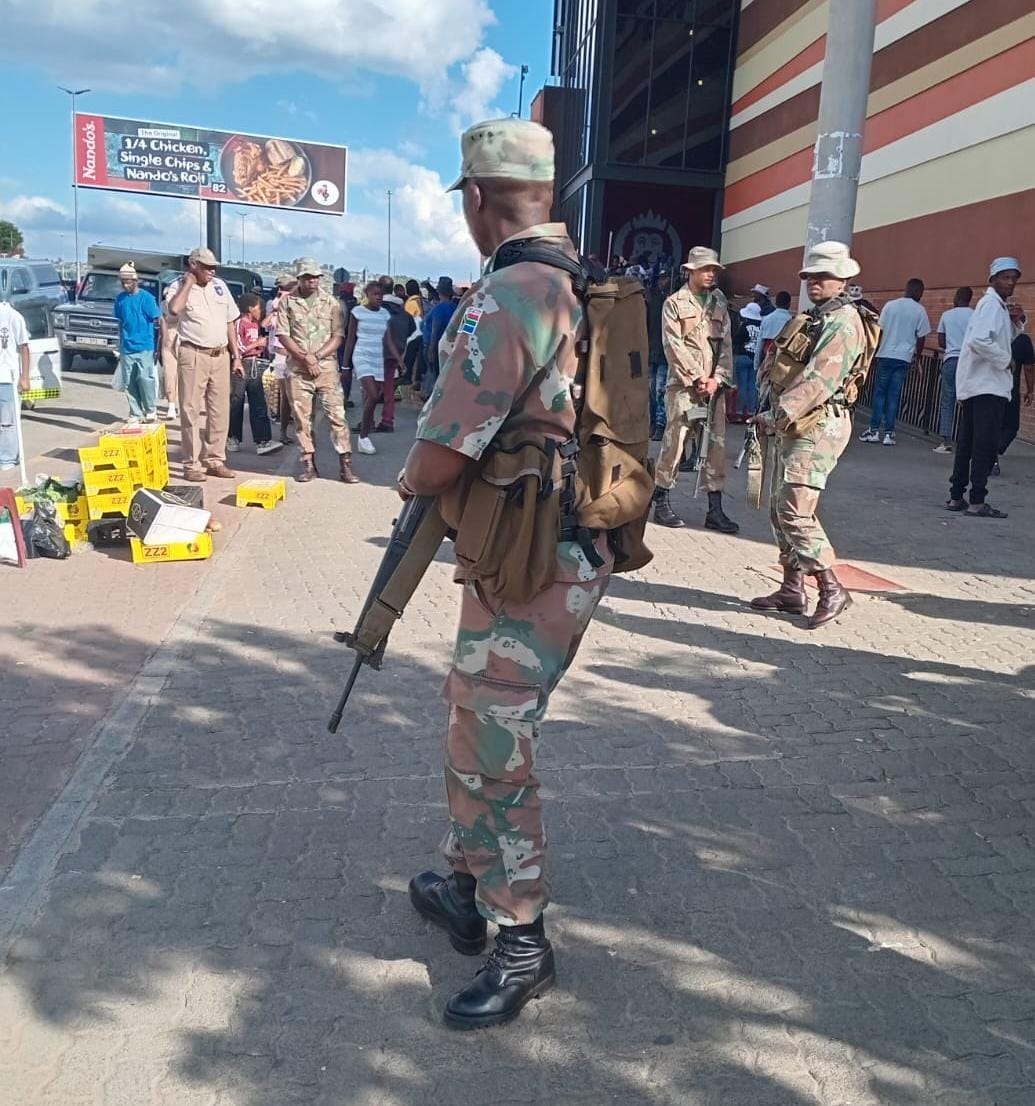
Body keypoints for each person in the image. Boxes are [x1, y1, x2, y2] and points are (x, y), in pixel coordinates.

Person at [401, 117, 611, 1031]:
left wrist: (410, 482)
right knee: (474, 717)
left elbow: (441, 453)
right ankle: (464, 880)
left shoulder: (511, 293)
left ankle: (520, 941)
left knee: (495, 742)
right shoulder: (585, 280)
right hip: (562, 544)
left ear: (477, 200)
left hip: (532, 556)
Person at [750, 241, 866, 629]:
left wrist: (774, 415)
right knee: (779, 506)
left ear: (844, 279)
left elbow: (818, 381)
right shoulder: (820, 316)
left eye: (823, 276)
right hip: (800, 422)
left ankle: (832, 588)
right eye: (809, 276)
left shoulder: (843, 323)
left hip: (819, 423)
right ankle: (791, 588)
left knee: (794, 510)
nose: (814, 282)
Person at [651, 246, 738, 534]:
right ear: (690, 271)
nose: (711, 274)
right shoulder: (675, 303)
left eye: (714, 269)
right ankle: (661, 499)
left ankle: (715, 509)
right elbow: (672, 346)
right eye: (706, 269)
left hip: (714, 389)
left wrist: (718, 378)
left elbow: (726, 346)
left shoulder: (719, 304)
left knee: (715, 447)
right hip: (684, 388)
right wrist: (697, 377)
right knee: (676, 441)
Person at [947, 258, 1025, 517]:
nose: (1010, 282)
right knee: (985, 445)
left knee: (968, 443)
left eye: (1014, 278)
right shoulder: (991, 305)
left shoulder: (995, 307)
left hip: (977, 384)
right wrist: (1007, 361)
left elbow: (998, 338)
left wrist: (1016, 322)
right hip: (987, 386)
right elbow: (980, 341)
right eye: (1005, 277)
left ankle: (956, 496)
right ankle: (977, 500)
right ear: (992, 279)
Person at [277, 259, 358, 484]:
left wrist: (317, 357)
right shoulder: (288, 303)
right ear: (300, 278)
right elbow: (283, 335)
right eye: (307, 277)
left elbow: (338, 336)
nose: (312, 280)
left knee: (337, 417)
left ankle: (346, 465)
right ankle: (309, 465)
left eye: (315, 276)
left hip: (326, 369)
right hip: (298, 369)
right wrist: (304, 358)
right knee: (303, 420)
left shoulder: (332, 303)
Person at [166, 248, 241, 482]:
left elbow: (230, 321)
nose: (212, 270)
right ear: (193, 265)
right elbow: (174, 310)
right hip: (194, 353)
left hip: (220, 355)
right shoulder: (178, 287)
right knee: (190, 411)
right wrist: (188, 284)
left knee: (220, 411)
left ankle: (215, 459)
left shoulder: (220, 286)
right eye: (207, 266)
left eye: (213, 266)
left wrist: (236, 355)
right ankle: (191, 463)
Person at [861, 277, 930, 446]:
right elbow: (921, 336)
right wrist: (917, 356)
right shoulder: (920, 310)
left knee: (879, 394)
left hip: (885, 354)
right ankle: (889, 434)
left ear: (906, 289)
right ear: (919, 292)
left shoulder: (890, 306)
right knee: (894, 395)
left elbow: (880, 329)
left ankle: (874, 430)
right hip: (903, 357)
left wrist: (875, 350)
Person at [342, 280, 393, 455]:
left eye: (381, 295)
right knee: (371, 394)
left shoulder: (385, 314)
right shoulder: (357, 312)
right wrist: (346, 366)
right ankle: (364, 436)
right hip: (361, 354)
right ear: (367, 296)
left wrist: (399, 360)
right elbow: (350, 340)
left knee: (375, 397)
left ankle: (364, 434)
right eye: (375, 295)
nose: (379, 298)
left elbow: (388, 339)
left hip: (377, 357)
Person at [230, 292, 280, 456]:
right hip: (242, 364)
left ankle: (263, 440)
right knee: (236, 402)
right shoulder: (239, 324)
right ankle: (233, 437)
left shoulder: (256, 325)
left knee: (258, 402)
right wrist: (256, 344)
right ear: (251, 309)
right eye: (259, 308)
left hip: (255, 364)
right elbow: (237, 347)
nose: (261, 312)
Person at [112, 262, 161, 424]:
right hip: (127, 346)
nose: (126, 285)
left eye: (129, 282)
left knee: (145, 378)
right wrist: (119, 343)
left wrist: (158, 346)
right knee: (129, 381)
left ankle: (150, 409)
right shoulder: (120, 299)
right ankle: (135, 412)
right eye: (123, 282)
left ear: (135, 281)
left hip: (145, 345)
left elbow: (157, 321)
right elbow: (120, 322)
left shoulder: (146, 299)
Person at [933, 287, 974, 452]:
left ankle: (946, 441)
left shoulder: (947, 315)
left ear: (957, 297)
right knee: (969, 403)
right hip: (969, 362)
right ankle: (967, 439)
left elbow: (941, 342)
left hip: (951, 359)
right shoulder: (975, 315)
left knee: (947, 401)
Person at [0, 294, 30, 471]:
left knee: (7, 422)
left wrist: (24, 377)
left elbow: (24, 347)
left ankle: (7, 459)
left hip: (6, 376)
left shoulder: (13, 316)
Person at [999, 328, 1035, 466]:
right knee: (1010, 426)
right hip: (1010, 387)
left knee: (991, 423)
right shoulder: (1023, 340)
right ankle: (995, 450)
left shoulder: (995, 334)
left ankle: (985, 452)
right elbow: (1029, 367)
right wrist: (1030, 390)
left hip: (988, 385)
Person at [422, 276, 458, 398]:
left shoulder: (438, 309)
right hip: (449, 345)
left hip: (434, 346)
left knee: (434, 374)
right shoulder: (455, 308)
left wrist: (432, 350)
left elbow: (434, 331)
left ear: (439, 291)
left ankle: (433, 400)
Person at [647, 269, 672, 440]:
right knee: (652, 392)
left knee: (660, 391)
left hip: (664, 354)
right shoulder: (654, 301)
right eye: (660, 278)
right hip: (653, 352)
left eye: (664, 278)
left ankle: (660, 425)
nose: (662, 281)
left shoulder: (671, 301)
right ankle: (654, 423)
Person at [753, 290, 793, 377]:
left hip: (767, 355)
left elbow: (760, 343)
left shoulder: (767, 319)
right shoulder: (792, 321)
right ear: (789, 304)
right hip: (783, 359)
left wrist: (756, 364)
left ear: (776, 303)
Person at [733, 301, 762, 420]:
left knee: (742, 386)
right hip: (755, 358)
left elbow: (737, 340)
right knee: (752, 386)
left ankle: (739, 412)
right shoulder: (761, 327)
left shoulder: (745, 326)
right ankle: (751, 411)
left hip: (743, 357)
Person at [159, 284, 179, 421]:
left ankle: (182, 404)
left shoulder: (184, 302)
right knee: (169, 371)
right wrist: (165, 336)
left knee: (185, 373)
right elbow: (163, 320)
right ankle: (171, 405)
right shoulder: (163, 305)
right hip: (169, 337)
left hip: (184, 336)